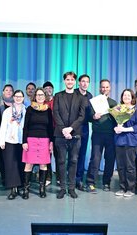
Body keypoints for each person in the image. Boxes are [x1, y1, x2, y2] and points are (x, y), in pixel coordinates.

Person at [53, 71, 87, 199]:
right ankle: (62, 188)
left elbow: (82, 116)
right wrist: (63, 129)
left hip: (75, 135)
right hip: (60, 134)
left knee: (73, 161)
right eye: (68, 79)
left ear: (75, 82)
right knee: (61, 161)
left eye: (72, 80)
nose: (70, 82)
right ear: (64, 81)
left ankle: (71, 188)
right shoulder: (58, 96)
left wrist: (71, 129)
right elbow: (55, 113)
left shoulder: (81, 97)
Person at [85, 79, 117, 193]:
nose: (104, 89)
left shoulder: (113, 103)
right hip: (97, 134)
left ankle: (106, 182)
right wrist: (93, 116)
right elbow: (88, 117)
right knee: (95, 158)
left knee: (110, 159)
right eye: (103, 87)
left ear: (110, 88)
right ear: (99, 88)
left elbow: (117, 120)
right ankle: (90, 182)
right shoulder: (93, 102)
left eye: (107, 87)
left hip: (111, 135)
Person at [22, 88, 54, 199]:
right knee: (28, 164)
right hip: (31, 140)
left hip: (44, 140)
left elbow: (50, 128)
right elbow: (25, 126)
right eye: (38, 95)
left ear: (45, 97)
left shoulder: (48, 110)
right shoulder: (30, 109)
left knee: (43, 164)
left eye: (42, 95)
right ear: (34, 96)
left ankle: (42, 188)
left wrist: (51, 142)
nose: (40, 97)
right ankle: (26, 189)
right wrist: (24, 141)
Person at [114, 89, 137, 197]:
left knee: (130, 166)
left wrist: (125, 130)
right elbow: (117, 123)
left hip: (131, 141)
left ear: (132, 97)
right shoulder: (118, 109)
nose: (126, 97)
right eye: (124, 95)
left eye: (128, 95)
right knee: (121, 166)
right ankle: (122, 188)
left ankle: (131, 189)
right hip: (119, 140)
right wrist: (117, 128)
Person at [0, 90, 26, 200]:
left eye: (20, 96)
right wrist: (1, 141)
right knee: (11, 165)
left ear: (23, 98)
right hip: (9, 140)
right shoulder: (8, 111)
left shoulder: (26, 111)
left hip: (22, 141)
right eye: (16, 96)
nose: (18, 98)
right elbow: (3, 126)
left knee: (21, 165)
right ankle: (13, 189)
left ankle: (22, 187)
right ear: (13, 97)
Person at [74, 74, 93, 191]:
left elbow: (90, 115)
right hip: (74, 128)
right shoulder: (74, 94)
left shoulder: (90, 96)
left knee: (81, 155)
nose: (85, 83)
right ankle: (69, 178)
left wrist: (94, 116)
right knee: (72, 155)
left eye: (87, 82)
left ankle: (78, 179)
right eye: (83, 81)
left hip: (85, 128)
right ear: (79, 83)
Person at [0, 84, 15, 185]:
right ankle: (4, 178)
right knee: (2, 158)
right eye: (6, 90)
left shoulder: (17, 104)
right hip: (1, 135)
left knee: (13, 158)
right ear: (3, 92)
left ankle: (13, 178)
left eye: (10, 90)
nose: (8, 92)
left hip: (14, 136)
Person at [43, 81, 56, 186]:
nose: (48, 90)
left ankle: (60, 177)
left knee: (59, 155)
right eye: (46, 88)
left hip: (57, 130)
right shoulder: (41, 103)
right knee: (47, 155)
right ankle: (48, 177)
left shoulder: (57, 100)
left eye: (50, 88)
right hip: (46, 132)